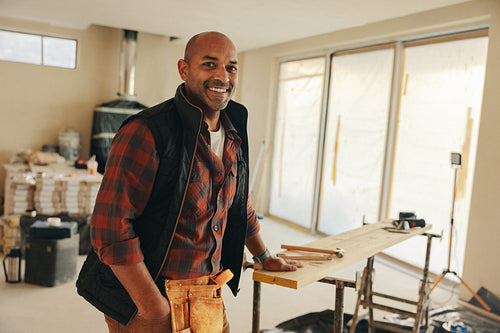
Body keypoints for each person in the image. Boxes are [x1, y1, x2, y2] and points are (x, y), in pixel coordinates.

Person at [76, 31, 302, 333]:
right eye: (210, 64)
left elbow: (238, 204)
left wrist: (263, 256)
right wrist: (152, 306)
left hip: (208, 290)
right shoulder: (147, 131)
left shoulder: (234, 131)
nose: (223, 76)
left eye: (231, 67)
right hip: (150, 296)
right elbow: (110, 230)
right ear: (184, 70)